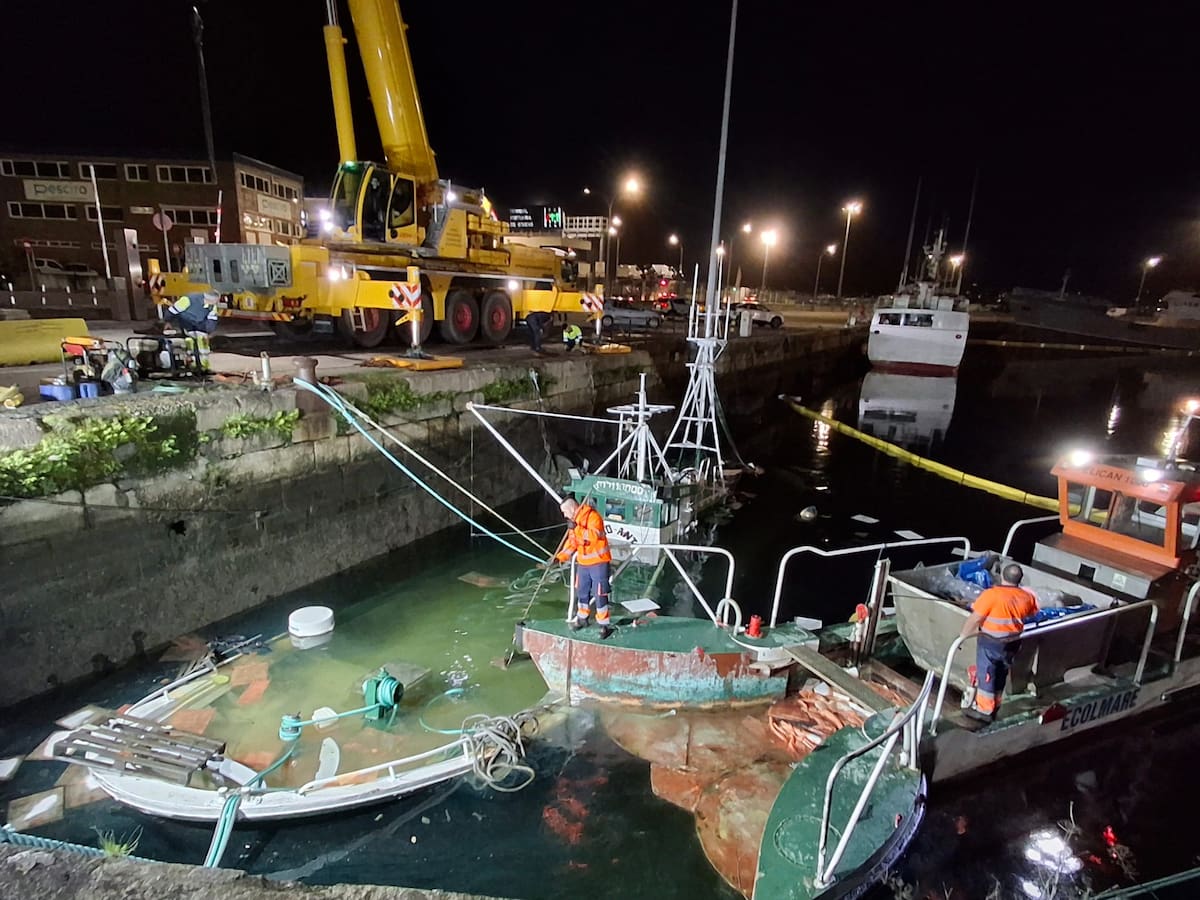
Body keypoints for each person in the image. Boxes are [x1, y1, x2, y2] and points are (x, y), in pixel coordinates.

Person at [959, 563, 1038, 722]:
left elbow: (975, 618)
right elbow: (1031, 613)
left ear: (1002, 576)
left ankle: (984, 711)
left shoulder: (991, 595)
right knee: (1001, 673)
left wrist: (963, 635)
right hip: (1013, 643)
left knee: (987, 674)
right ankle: (996, 705)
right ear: (1020, 579)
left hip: (991, 642)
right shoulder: (1028, 596)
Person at [555, 497, 614, 638]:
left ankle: (604, 624)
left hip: (599, 562)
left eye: (564, 512)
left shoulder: (593, 517)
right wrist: (559, 558)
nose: (564, 515)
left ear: (571, 509)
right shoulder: (573, 524)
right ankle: (582, 617)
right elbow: (572, 543)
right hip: (584, 563)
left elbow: (594, 536)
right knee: (582, 591)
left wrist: (577, 528)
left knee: (599, 593)